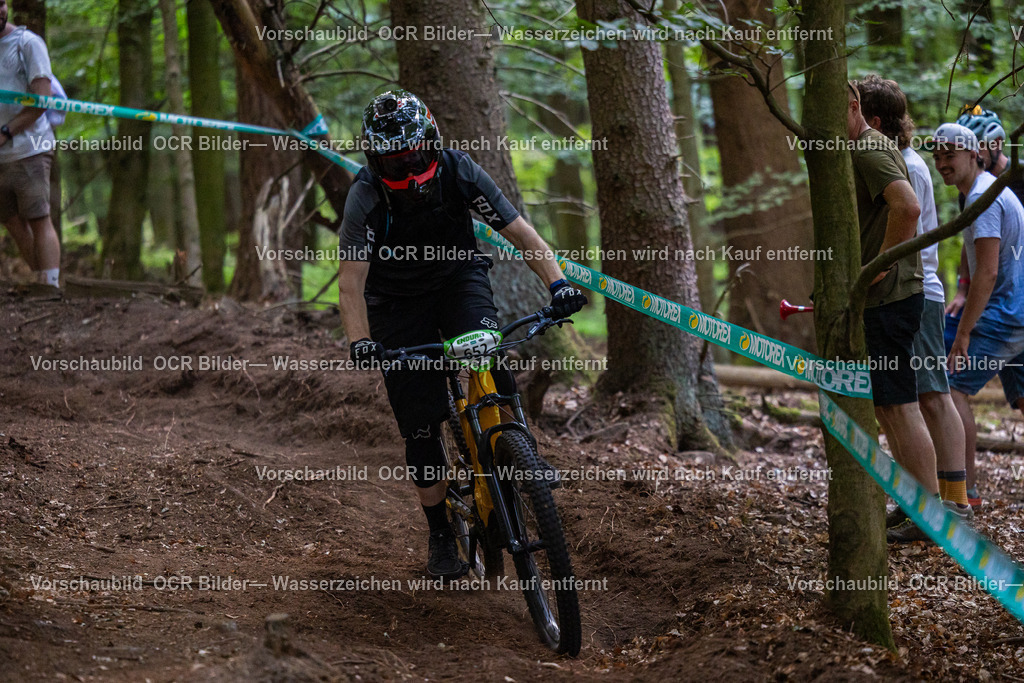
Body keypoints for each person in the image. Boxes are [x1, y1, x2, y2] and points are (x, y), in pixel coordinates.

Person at [337, 90, 587, 580]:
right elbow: (351, 281)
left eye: (411, 154)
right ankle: (439, 534)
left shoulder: (459, 170)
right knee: (420, 424)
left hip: (457, 281)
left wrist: (559, 284)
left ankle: (522, 452)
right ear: (374, 159)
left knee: (490, 353)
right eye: (391, 160)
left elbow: (522, 233)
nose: (405, 168)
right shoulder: (365, 194)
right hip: (394, 304)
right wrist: (360, 340)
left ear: (430, 143)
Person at [855, 76, 972, 541]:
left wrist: (880, 268)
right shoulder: (898, 161)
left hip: (917, 293)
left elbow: (909, 225)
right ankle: (924, 501)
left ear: (876, 120)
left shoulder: (904, 165)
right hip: (914, 291)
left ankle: (954, 503)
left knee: (930, 396)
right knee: (916, 398)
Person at [930, 123, 1024, 512]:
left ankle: (962, 491)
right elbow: (977, 265)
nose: (942, 164)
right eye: (937, 157)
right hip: (1015, 308)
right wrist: (963, 293)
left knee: (951, 390)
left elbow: (987, 271)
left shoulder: (984, 198)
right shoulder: (983, 192)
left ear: (974, 155)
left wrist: (964, 333)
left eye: (949, 155)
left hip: (1007, 314)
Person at [0, 0, 60, 287]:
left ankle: (50, 287)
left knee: (38, 217)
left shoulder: (28, 43)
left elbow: (42, 100)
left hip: (30, 147)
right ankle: (44, 281)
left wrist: (6, 132)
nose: (0, 10)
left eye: (1, 3)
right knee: (11, 221)